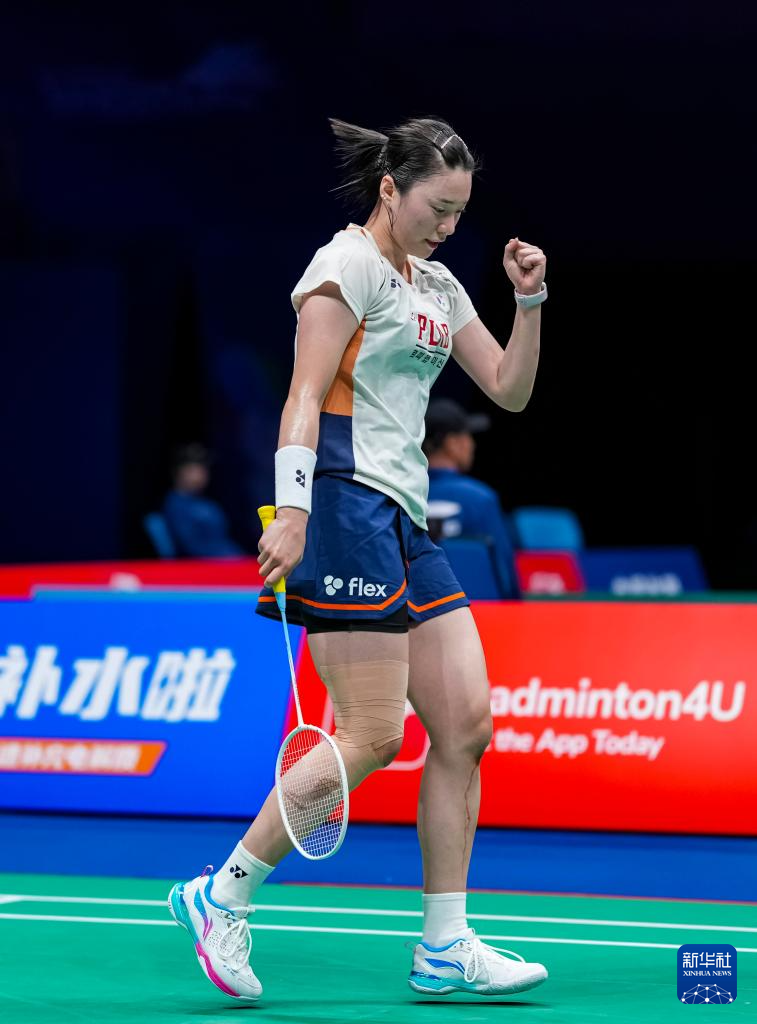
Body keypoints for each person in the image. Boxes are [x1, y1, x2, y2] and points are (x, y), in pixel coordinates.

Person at [168, 116, 548, 1001]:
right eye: (435, 208)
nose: (447, 225)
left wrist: (527, 303)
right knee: (373, 734)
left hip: (404, 513)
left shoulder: (440, 284)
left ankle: (444, 944)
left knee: (466, 726)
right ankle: (221, 896)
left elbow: (508, 389)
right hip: (341, 501)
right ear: (389, 188)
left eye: (459, 213)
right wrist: (293, 510)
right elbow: (302, 395)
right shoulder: (345, 266)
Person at [424, 397, 521, 597]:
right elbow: (504, 573)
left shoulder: (403, 495)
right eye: (467, 436)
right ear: (452, 444)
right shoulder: (481, 499)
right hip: (480, 610)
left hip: (418, 610)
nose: (472, 444)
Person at [161, 442, 246, 557]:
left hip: (231, 558)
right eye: (193, 470)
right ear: (179, 472)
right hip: (205, 563)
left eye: (203, 469)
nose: (201, 475)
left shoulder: (207, 503)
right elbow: (191, 547)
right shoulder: (174, 505)